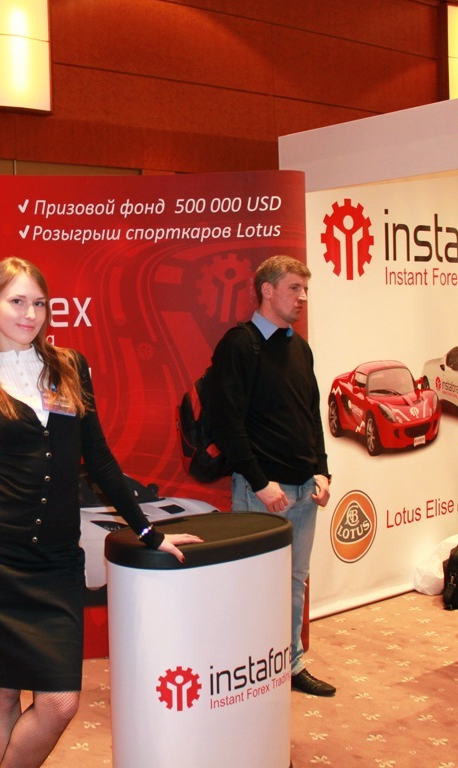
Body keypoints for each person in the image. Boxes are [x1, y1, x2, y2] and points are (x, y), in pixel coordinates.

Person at [0, 256, 201, 768]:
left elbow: (99, 459)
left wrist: (149, 532)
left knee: (59, 703)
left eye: (39, 303)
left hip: (56, 564)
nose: (30, 314)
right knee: (1, 689)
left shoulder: (69, 367)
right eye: (17, 301)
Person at [204, 254, 336, 697]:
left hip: (305, 490)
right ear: (267, 290)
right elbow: (226, 423)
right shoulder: (239, 345)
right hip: (261, 492)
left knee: (294, 583)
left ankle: (289, 665)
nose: (302, 298)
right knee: (255, 587)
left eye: (305, 289)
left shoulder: (300, 348)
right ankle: (249, 672)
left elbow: (311, 414)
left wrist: (321, 471)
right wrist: (260, 483)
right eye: (294, 288)